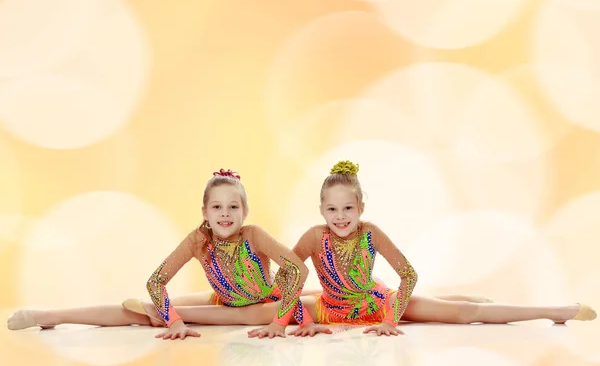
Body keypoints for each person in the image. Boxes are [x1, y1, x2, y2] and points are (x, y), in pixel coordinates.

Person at [288, 160, 597, 337]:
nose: (340, 217)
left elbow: (408, 274)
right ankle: (463, 297)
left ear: (361, 207)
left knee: (463, 314)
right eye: (332, 209)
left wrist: (389, 320)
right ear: (321, 210)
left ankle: (554, 310)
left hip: (379, 303)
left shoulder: (371, 233)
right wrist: (301, 320)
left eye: (347, 208)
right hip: (330, 309)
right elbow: (288, 274)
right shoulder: (314, 236)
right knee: (270, 308)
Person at [7, 169, 313, 339]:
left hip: (263, 303)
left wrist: (280, 319)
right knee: (147, 308)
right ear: (205, 212)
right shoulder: (197, 239)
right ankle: (52, 315)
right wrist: (175, 321)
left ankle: (151, 314)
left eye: (234, 206)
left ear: (245, 211)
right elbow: (156, 282)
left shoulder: (254, 234)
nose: (225, 214)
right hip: (222, 299)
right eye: (217, 207)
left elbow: (298, 270)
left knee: (148, 313)